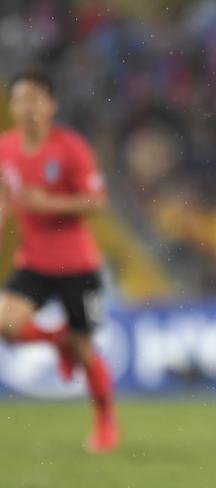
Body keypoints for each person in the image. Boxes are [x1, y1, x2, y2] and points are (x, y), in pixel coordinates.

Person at [0, 69, 118, 452]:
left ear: (51, 105)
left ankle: (104, 424)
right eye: (21, 100)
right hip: (33, 261)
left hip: (78, 265)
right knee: (6, 322)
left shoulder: (70, 147)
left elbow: (96, 202)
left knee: (85, 350)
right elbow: (6, 196)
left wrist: (48, 203)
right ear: (13, 106)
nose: (28, 108)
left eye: (36, 99)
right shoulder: (5, 147)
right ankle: (58, 341)